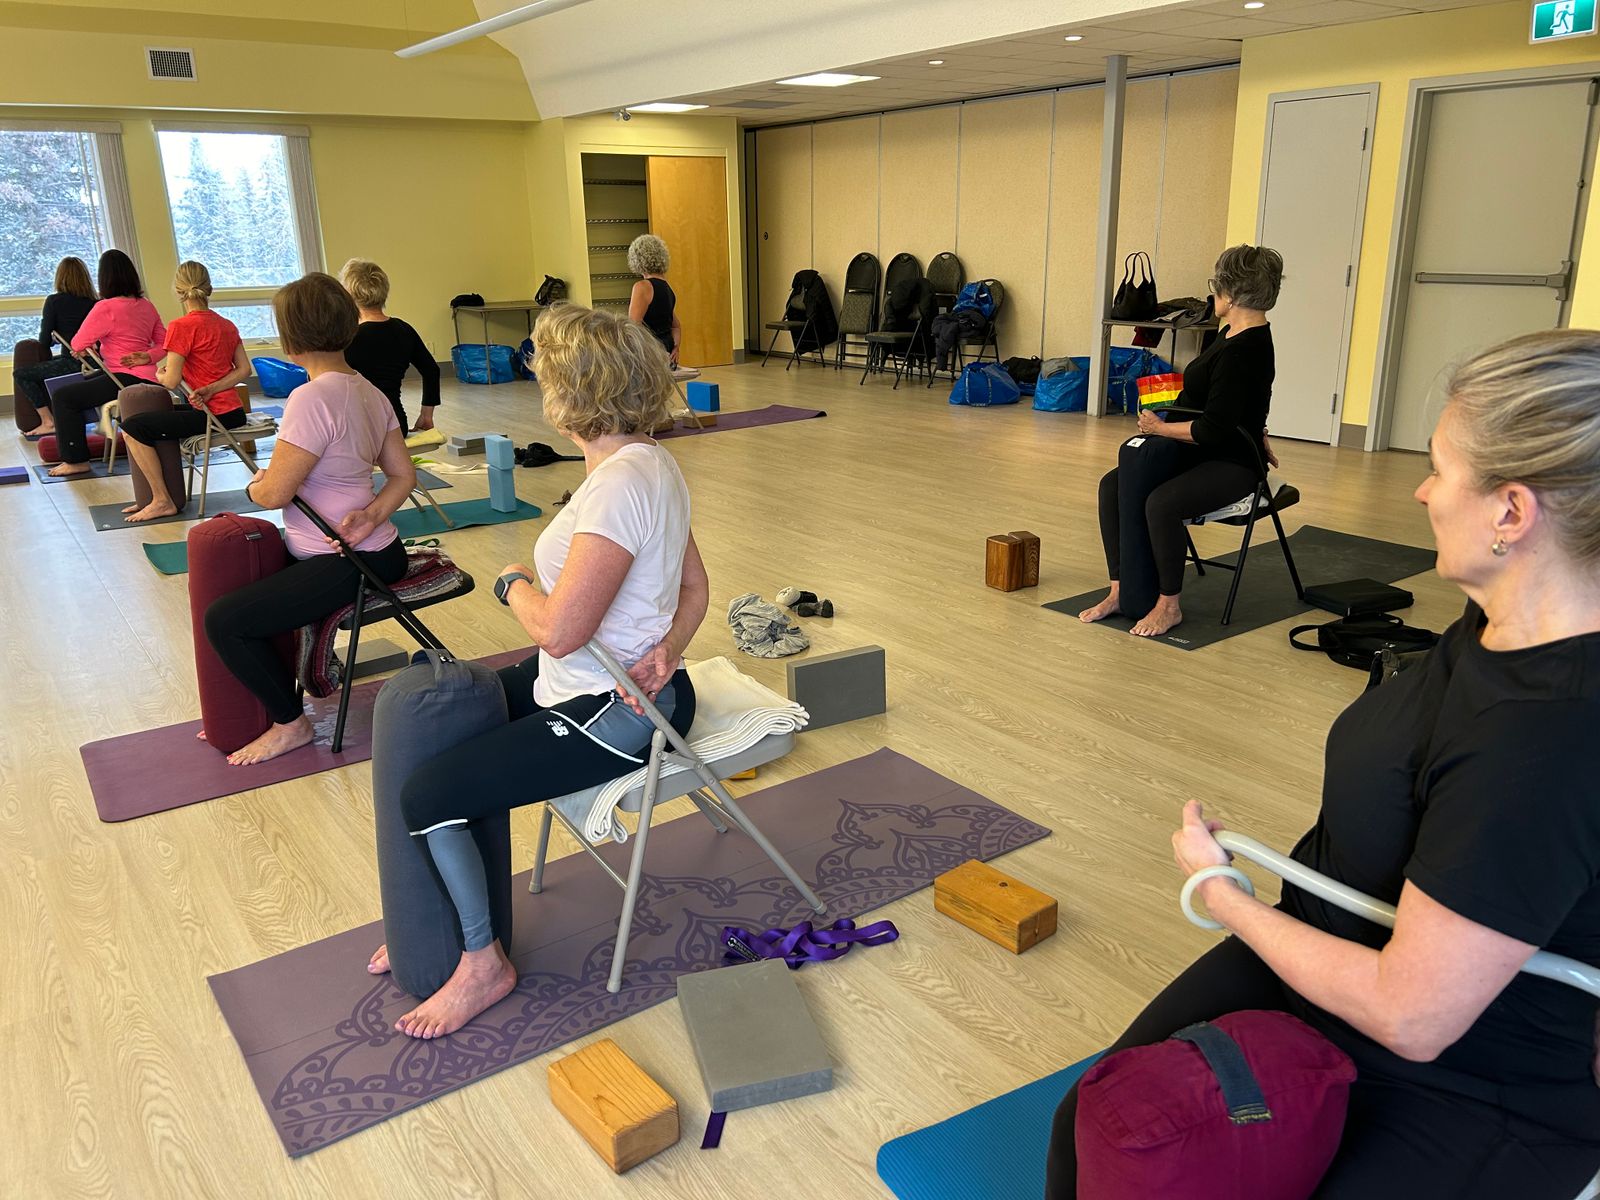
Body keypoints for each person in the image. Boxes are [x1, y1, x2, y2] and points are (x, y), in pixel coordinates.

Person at [1048, 329, 1600, 1199]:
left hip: (1460, 1068)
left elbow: (1410, 1016)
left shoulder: (1549, 734)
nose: (1420, 491)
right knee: (1097, 1133)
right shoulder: (1501, 617)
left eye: (1440, 471)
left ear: (1512, 512)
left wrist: (1224, 897)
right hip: (1329, 944)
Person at [366, 303, 709, 1039]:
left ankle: (483, 963)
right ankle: (431, 919)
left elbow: (559, 631)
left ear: (572, 393)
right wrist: (671, 646)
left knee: (429, 794)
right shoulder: (647, 463)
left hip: (615, 710)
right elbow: (693, 591)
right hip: (616, 681)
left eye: (547, 375)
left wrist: (511, 580)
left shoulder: (623, 484)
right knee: (444, 737)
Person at [203, 273, 415, 767]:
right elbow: (403, 477)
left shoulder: (309, 399)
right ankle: (254, 709)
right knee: (251, 601)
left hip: (348, 562)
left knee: (225, 621)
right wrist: (372, 515)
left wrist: (256, 484)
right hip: (382, 550)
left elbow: (275, 492)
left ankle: (290, 723)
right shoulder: (370, 391)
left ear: (289, 337)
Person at [1080, 245, 1283, 637]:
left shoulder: (1245, 349)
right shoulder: (1230, 333)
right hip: (1202, 450)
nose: (1213, 295)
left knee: (1162, 503)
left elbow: (1213, 429)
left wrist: (1157, 429)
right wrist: (1259, 429)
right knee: (1112, 486)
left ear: (1234, 294)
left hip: (1232, 461)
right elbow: (1241, 402)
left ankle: (1168, 604)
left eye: (1216, 286)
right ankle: (1121, 590)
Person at [117, 261, 252, 522]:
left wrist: (159, 372)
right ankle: (157, 497)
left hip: (211, 416)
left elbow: (170, 381)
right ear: (208, 288)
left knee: (132, 428)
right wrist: (212, 388)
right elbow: (244, 369)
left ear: (178, 292)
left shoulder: (181, 327)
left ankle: (161, 500)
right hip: (233, 412)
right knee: (153, 419)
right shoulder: (226, 325)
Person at [38, 249, 166, 476]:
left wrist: (95, 344)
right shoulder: (146, 304)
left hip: (123, 377)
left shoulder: (105, 307)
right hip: (150, 377)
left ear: (104, 278)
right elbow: (164, 342)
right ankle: (100, 430)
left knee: (63, 397)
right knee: (86, 383)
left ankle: (76, 459)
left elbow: (77, 343)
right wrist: (148, 356)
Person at [338, 258, 441, 435]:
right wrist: (426, 415)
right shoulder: (403, 329)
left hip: (358, 428)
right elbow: (431, 370)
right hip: (395, 424)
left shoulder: (347, 337)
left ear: (348, 295)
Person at [11, 256, 96, 435]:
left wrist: (55, 339)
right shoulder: (96, 303)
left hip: (73, 362)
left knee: (21, 375)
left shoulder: (54, 302)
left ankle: (47, 420)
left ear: (60, 278)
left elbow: (43, 343)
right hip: (98, 362)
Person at [626, 234, 681, 364]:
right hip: (667, 348)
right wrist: (676, 348)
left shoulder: (643, 287)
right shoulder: (667, 288)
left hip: (650, 351)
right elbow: (676, 326)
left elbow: (633, 326)